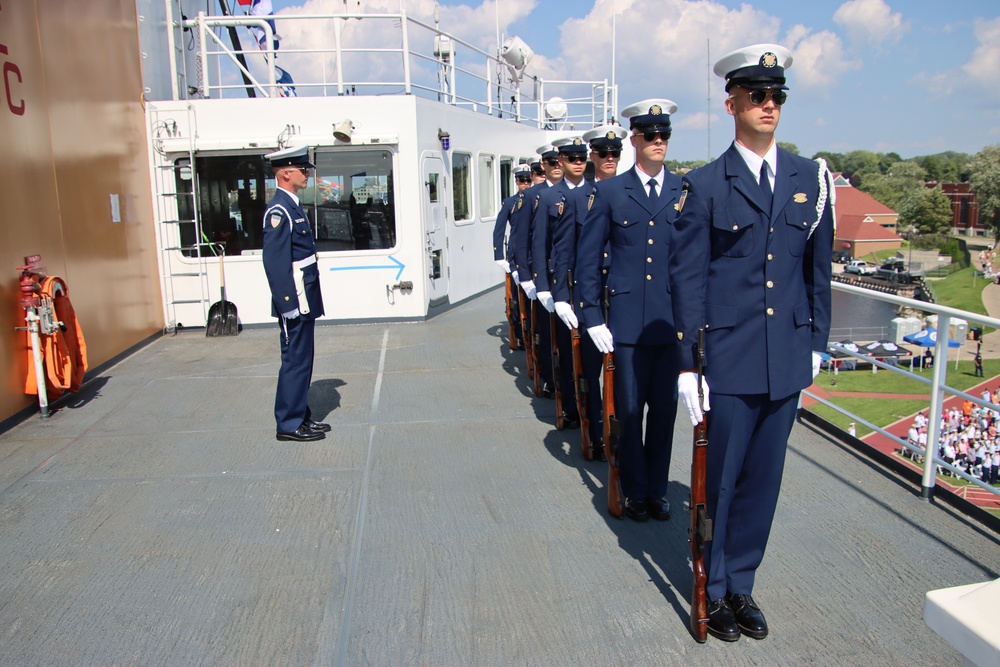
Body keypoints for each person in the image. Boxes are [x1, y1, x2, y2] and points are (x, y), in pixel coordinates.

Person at [670, 44, 834, 641]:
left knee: (763, 484)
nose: (769, 105)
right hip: (729, 363)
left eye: (777, 97)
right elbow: (686, 282)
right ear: (731, 102)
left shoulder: (808, 179)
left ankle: (741, 584)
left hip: (785, 360)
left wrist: (817, 339)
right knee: (720, 483)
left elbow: (817, 270)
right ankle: (711, 589)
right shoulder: (706, 186)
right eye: (757, 96)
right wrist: (689, 366)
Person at [577, 99, 684, 522]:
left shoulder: (683, 191)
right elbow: (587, 261)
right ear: (634, 139)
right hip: (624, 324)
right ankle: (634, 489)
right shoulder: (609, 192)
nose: (659, 142)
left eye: (665, 135)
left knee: (664, 412)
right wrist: (592, 317)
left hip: (671, 324)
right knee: (628, 409)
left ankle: (657, 490)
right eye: (650, 135)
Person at [551, 125, 629, 460]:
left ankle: (623, 439)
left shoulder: (632, 193)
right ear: (592, 156)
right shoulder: (578, 198)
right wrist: (561, 297)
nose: (610, 159)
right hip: (592, 300)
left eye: (615, 153)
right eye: (604, 153)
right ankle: (595, 432)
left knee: (627, 378)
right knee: (590, 373)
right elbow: (563, 253)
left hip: (625, 301)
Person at [262, 145, 329, 442]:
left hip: (306, 295)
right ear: (286, 172)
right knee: (294, 360)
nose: (307, 175)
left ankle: (300, 416)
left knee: (304, 358)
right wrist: (286, 304)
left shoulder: (292, 206)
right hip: (296, 300)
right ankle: (288, 424)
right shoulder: (278, 211)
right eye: (303, 170)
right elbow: (275, 263)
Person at [511, 145, 564, 397]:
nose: (556, 166)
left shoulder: (575, 192)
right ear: (543, 164)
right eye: (550, 162)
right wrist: (526, 278)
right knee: (545, 329)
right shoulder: (532, 196)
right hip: (541, 272)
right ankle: (548, 378)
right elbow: (522, 240)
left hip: (568, 273)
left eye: (559, 161)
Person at [493, 164, 533, 347]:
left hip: (535, 253)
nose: (525, 183)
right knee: (518, 297)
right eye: (522, 180)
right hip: (517, 255)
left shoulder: (537, 198)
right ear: (516, 181)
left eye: (528, 180)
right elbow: (499, 229)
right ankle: (520, 332)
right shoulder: (510, 203)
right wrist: (499, 256)